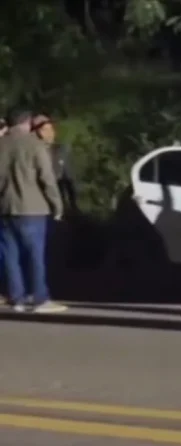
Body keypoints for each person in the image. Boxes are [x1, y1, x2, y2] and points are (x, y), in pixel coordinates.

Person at [0, 108, 66, 313]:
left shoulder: (1, 144)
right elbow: (47, 178)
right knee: (35, 255)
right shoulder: (34, 145)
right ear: (27, 122)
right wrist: (57, 205)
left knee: (9, 255)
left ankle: (16, 298)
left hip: (5, 208)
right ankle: (39, 298)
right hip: (32, 207)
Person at [31, 114, 78, 212]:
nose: (49, 133)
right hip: (36, 204)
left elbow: (69, 178)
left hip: (58, 202)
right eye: (44, 130)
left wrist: (73, 204)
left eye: (51, 129)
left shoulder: (61, 150)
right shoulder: (29, 152)